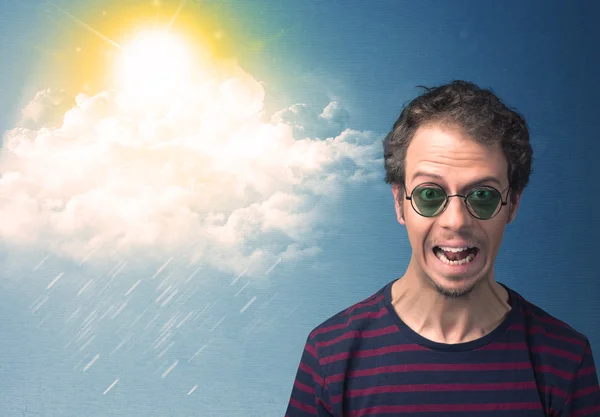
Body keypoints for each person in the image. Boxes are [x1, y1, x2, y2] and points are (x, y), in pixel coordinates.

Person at [284, 80, 600, 417]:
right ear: (399, 203)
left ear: (512, 205)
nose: (456, 221)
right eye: (430, 194)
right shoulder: (329, 355)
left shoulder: (566, 360)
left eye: (482, 196)